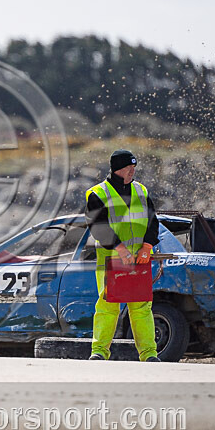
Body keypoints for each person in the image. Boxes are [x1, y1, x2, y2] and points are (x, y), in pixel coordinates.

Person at [84, 149, 161, 362]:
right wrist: (120, 248)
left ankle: (149, 354)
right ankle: (99, 352)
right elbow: (98, 227)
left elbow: (153, 222)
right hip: (111, 259)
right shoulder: (98, 193)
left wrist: (147, 246)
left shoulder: (141, 190)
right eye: (128, 168)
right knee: (108, 305)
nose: (132, 172)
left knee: (142, 307)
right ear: (117, 169)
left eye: (134, 168)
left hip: (140, 260)